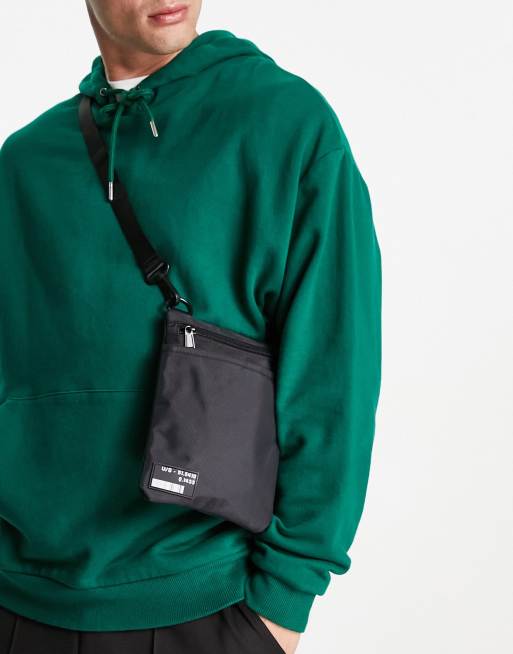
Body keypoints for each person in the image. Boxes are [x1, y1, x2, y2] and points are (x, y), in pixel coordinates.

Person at [0, 1, 382, 653]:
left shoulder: (284, 123)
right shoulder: (26, 161)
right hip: (19, 602)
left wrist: (283, 603)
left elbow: (333, 373)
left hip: (205, 601)